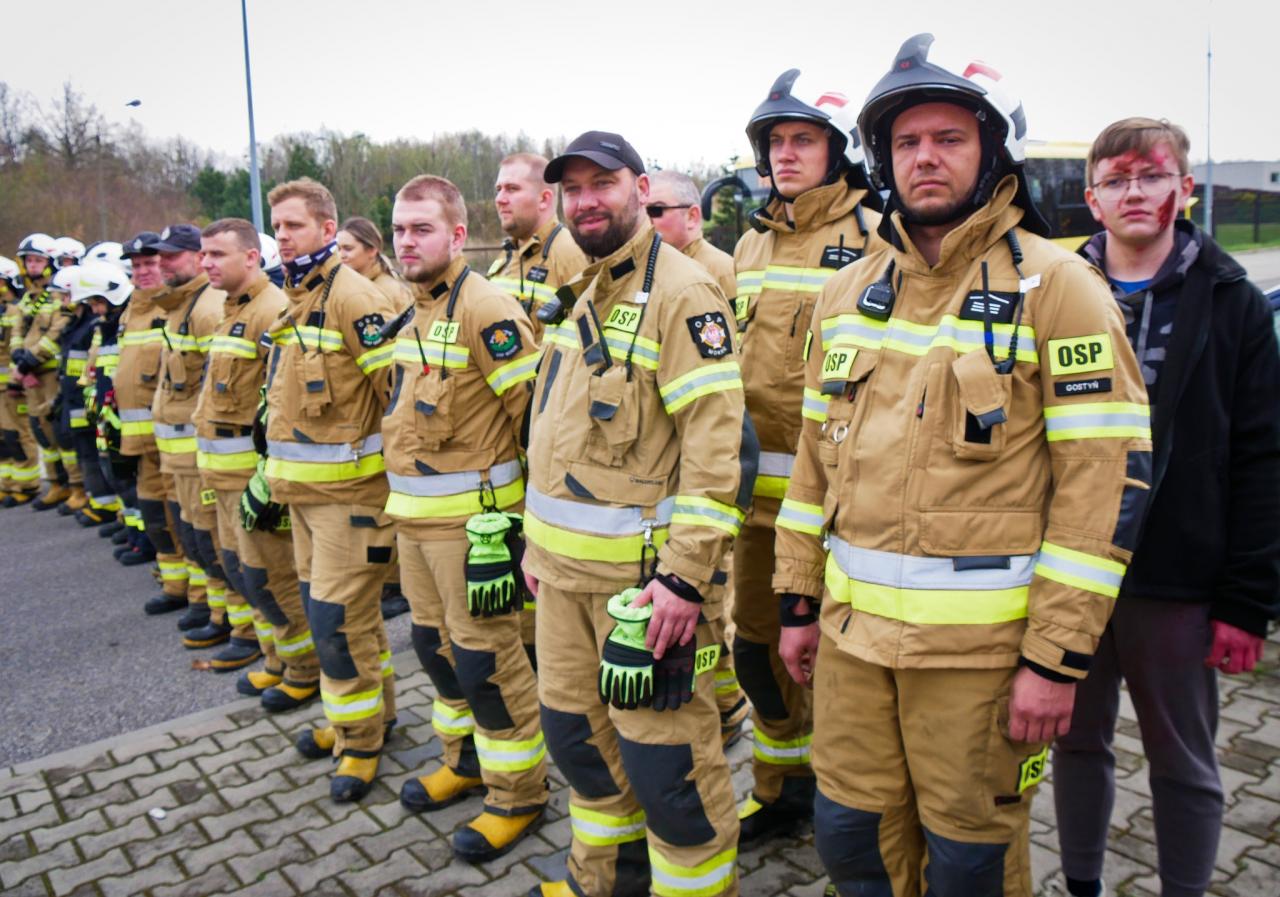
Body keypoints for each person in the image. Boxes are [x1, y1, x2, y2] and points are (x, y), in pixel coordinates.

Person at [773, 35, 1152, 896]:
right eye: (907, 142)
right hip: (852, 647)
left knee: (969, 865)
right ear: (884, 158)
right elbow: (811, 464)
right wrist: (797, 602)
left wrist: (1055, 662)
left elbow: (1106, 489)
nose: (926, 158)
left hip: (982, 662)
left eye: (948, 138)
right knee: (850, 841)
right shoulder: (847, 293)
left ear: (989, 153)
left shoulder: (1060, 287)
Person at [1050, 118, 1280, 897]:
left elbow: (1262, 454)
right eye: (1116, 180)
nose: (1134, 192)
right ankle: (1080, 882)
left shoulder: (1233, 301)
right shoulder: (1051, 292)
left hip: (1177, 577)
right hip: (1069, 574)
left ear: (1183, 188)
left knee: (1183, 760)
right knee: (1076, 745)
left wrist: (1248, 599)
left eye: (1151, 177)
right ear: (1092, 199)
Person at [523, 131, 749, 897]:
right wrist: (532, 544)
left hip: (644, 595)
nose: (585, 200)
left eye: (603, 183)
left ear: (639, 187)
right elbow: (554, 434)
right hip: (562, 580)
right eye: (573, 188)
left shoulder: (683, 293)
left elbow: (718, 451)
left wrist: (686, 581)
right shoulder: (584, 292)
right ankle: (604, 882)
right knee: (579, 744)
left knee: (670, 773)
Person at [730, 68, 883, 844]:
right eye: (775, 142)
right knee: (756, 656)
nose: (785, 155)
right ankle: (778, 787)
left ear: (839, 151)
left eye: (803, 140)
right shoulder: (752, 241)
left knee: (828, 670)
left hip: (830, 515)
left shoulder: (872, 239)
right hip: (754, 507)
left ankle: (842, 813)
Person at [381, 174, 548, 862]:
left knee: (487, 662)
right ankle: (465, 760)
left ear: (456, 234)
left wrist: (529, 533)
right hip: (414, 526)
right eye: (398, 229)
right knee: (436, 651)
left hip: (474, 534)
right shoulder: (412, 309)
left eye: (421, 229)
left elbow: (538, 422)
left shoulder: (487, 307)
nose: (406, 241)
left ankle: (519, 791)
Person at [263, 177, 400, 802]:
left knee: (335, 626)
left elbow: (392, 399)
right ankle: (370, 716)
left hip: (352, 501)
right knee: (354, 624)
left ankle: (360, 742)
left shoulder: (355, 298)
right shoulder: (294, 297)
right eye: (278, 225)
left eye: (294, 225)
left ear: (326, 228)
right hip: (304, 497)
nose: (283, 236)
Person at [194, 219, 321, 709]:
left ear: (251, 257)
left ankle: (303, 669)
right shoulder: (230, 310)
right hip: (221, 478)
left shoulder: (271, 311)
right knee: (247, 574)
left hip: (254, 480)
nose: (208, 263)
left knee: (274, 579)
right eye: (204, 254)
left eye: (217, 255)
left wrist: (267, 481)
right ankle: (278, 657)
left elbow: (276, 408)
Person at [646, 168, 751, 746]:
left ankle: (728, 707)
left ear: (693, 216)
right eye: (647, 210)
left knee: (715, 602)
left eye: (660, 210)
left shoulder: (714, 274)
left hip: (717, 455)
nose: (650, 221)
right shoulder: (650, 276)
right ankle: (728, 699)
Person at [150, 223, 262, 670]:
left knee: (231, 551)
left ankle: (246, 630)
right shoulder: (183, 308)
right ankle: (224, 617)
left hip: (219, 458)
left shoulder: (208, 309)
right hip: (190, 455)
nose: (161, 265)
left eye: (170, 256)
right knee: (205, 544)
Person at [335, 215, 411, 621]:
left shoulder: (385, 293)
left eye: (348, 248)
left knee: (386, 510)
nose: (341, 256)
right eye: (337, 249)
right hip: (366, 417)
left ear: (371, 250)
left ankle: (395, 583)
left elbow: (390, 369)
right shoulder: (358, 288)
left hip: (384, 416)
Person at [114, 231, 191, 591]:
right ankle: (174, 585)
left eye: (151, 263)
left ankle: (198, 594)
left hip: (171, 440)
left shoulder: (173, 308)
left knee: (185, 520)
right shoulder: (132, 309)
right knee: (156, 517)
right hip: (138, 441)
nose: (144, 271)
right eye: (138, 265)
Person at [11, 232, 81, 510]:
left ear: (49, 262)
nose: (33, 265)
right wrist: (19, 355)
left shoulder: (58, 295)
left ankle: (77, 485)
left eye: (38, 260)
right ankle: (56, 484)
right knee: (41, 432)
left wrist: (31, 358)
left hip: (50, 373)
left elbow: (57, 331)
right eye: (29, 260)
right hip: (30, 376)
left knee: (59, 432)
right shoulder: (28, 297)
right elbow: (17, 328)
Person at [489, 152, 587, 340]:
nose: (500, 199)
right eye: (498, 189)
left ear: (544, 199)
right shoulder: (507, 255)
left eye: (512, 189)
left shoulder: (570, 254)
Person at [0, 255, 41, 506]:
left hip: (11, 385)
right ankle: (7, 482)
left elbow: (17, 346)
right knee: (2, 437)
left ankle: (27, 484)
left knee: (18, 434)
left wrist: (17, 380)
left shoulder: (15, 310)